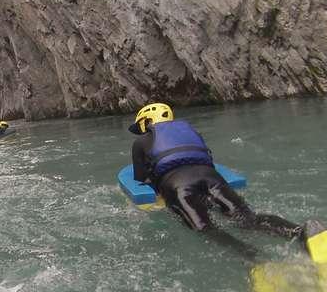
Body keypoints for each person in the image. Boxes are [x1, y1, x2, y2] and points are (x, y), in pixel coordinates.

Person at [129, 102, 308, 260]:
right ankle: (299, 232)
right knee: (248, 219)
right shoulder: (191, 131)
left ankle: (255, 258)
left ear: (147, 121)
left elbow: (140, 180)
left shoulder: (141, 142)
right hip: (211, 177)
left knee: (205, 228)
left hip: (177, 185)